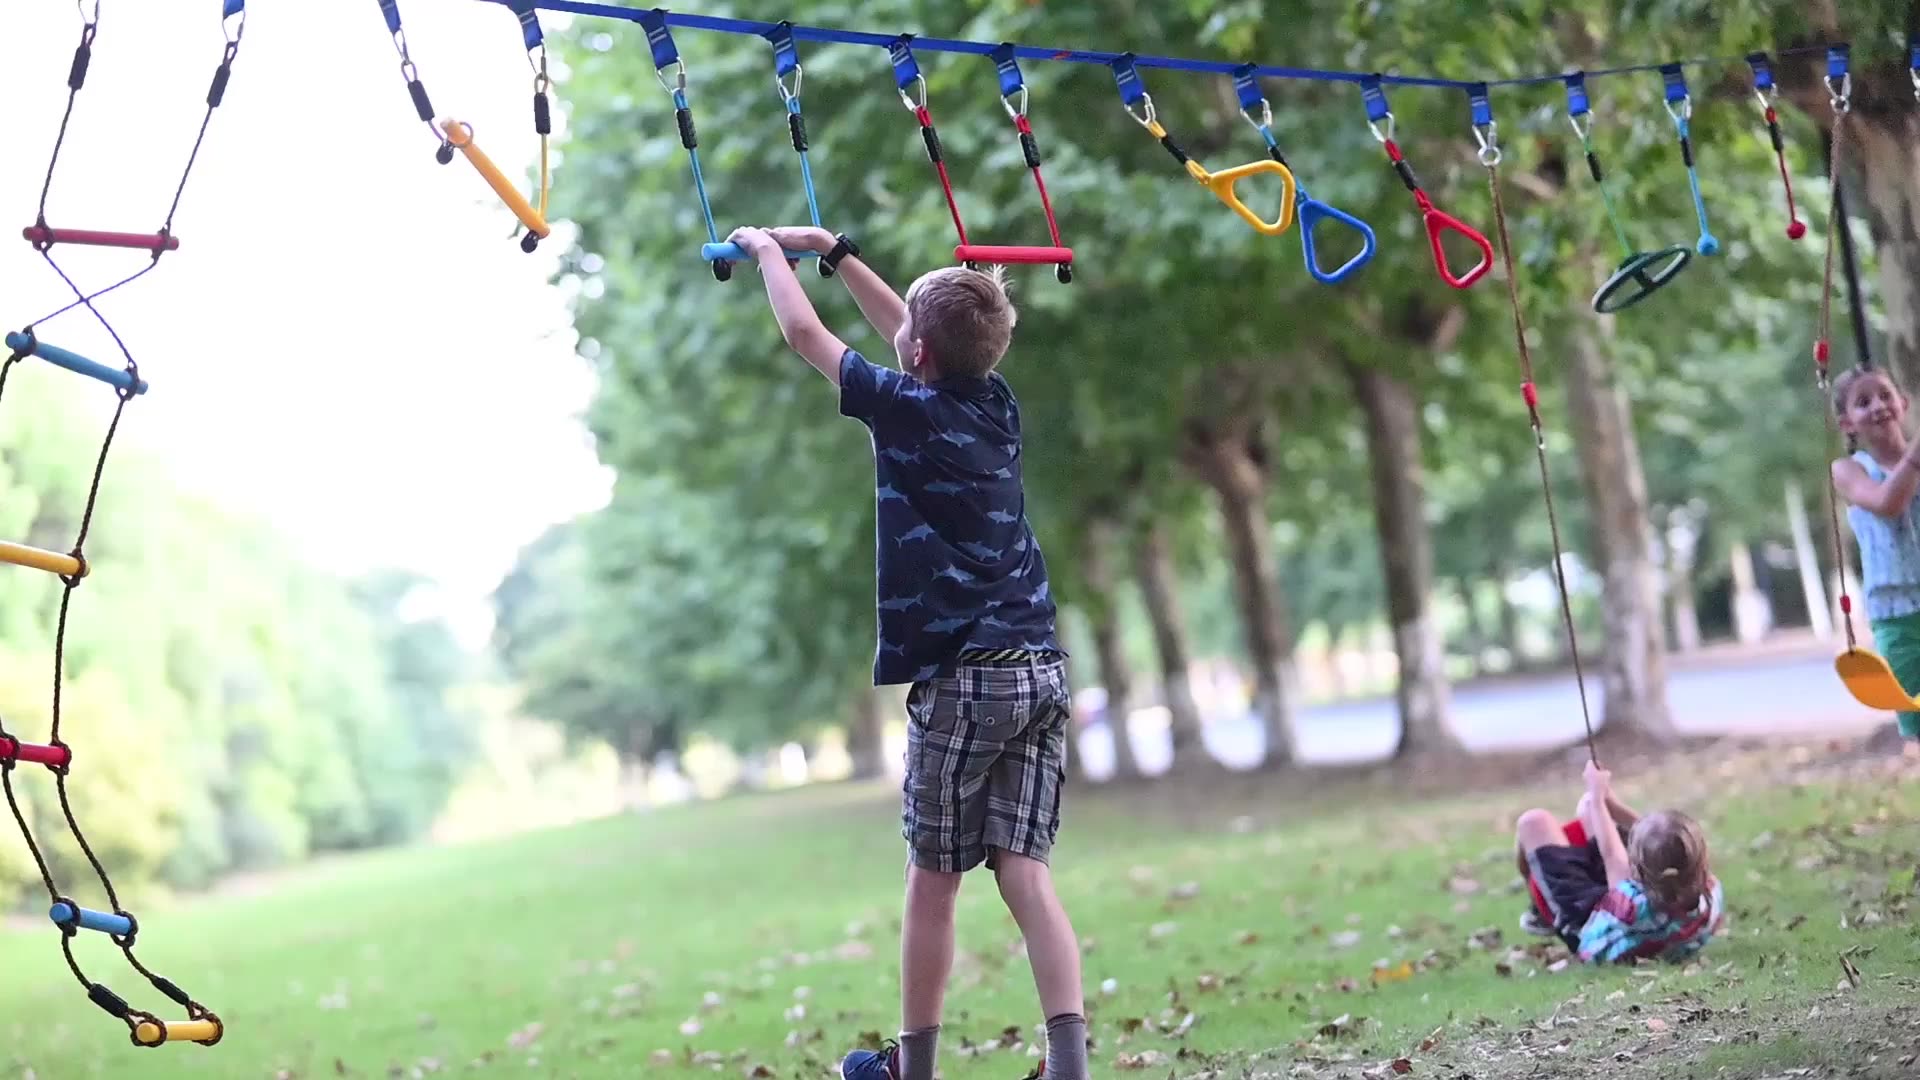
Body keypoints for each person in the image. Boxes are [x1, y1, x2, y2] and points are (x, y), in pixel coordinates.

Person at [723, 224, 1086, 1080]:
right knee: (1026, 873)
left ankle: (910, 1071)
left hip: (962, 678)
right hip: (1038, 664)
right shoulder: (994, 403)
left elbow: (807, 336)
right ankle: (1068, 1065)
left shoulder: (906, 410)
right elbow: (912, 331)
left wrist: (765, 252)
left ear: (917, 354)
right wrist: (836, 249)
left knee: (934, 878)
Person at [1514, 761, 1724, 964]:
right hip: (1631, 925)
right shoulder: (1710, 891)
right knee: (1588, 806)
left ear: (1635, 870)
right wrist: (1609, 802)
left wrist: (1598, 796)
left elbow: (1612, 855)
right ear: (1701, 860)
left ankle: (1540, 913)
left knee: (1533, 822)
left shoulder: (1631, 906)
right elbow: (1660, 841)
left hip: (1587, 926)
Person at [1830, 365, 1920, 742]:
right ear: (1848, 423)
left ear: (1903, 403)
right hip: (1896, 618)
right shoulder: (1849, 469)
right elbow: (1887, 503)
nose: (1878, 406)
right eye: (1863, 402)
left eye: (1885, 395)